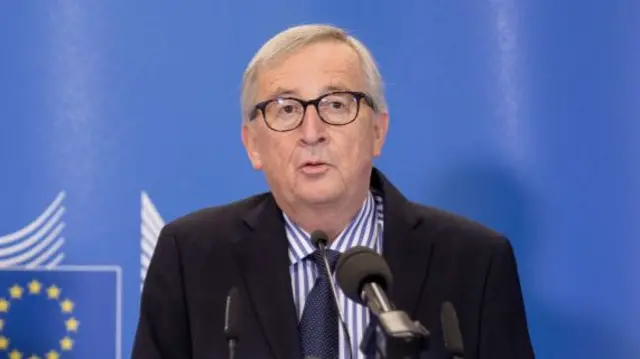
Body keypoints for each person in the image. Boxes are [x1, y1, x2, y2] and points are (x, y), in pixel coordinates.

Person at [131, 24, 535, 359]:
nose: (312, 133)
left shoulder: (474, 262)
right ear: (252, 144)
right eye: (286, 109)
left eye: (337, 105)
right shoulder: (191, 256)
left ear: (378, 131)